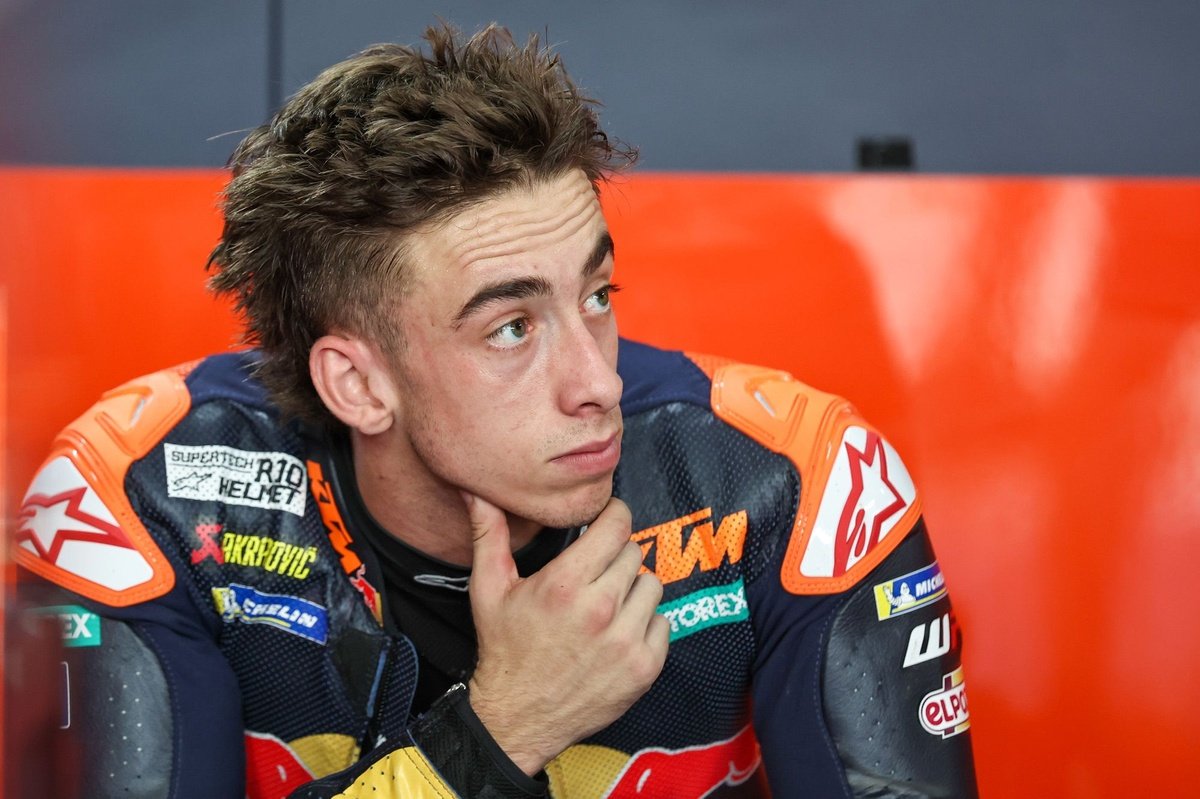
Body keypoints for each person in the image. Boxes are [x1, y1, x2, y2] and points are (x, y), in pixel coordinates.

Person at [14, 22, 978, 798]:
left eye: (596, 295)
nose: (597, 381)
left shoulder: (795, 482)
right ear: (359, 385)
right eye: (511, 328)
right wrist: (503, 728)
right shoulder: (138, 498)